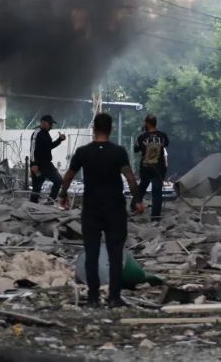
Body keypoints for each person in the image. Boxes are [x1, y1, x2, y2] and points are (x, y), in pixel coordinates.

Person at [58, 113, 143, 307]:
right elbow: (130, 178)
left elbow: (69, 175)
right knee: (115, 254)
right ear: (110, 129)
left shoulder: (83, 152)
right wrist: (137, 200)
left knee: (92, 253)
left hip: (92, 208)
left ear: (94, 129)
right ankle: (114, 297)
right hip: (115, 208)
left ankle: (93, 298)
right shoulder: (119, 152)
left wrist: (63, 194)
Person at [132, 114, 169, 222]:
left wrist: (144, 134)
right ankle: (155, 217)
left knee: (142, 186)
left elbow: (135, 149)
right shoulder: (163, 136)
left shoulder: (142, 137)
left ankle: (134, 205)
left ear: (147, 123)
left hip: (145, 167)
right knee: (157, 191)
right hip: (159, 168)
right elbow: (166, 145)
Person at [29, 115, 66, 204]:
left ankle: (50, 201)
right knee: (37, 186)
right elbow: (32, 149)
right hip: (38, 165)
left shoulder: (46, 133)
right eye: (51, 124)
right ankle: (32, 205)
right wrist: (33, 164)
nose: (51, 126)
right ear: (44, 123)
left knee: (58, 181)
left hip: (46, 165)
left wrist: (59, 140)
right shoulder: (37, 132)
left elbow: (49, 147)